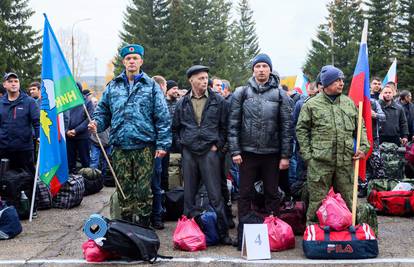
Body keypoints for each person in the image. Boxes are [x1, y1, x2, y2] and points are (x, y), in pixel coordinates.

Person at [88, 44, 171, 227]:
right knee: (123, 189)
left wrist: (162, 145)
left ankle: (142, 228)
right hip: (120, 146)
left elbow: (162, 117)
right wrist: (96, 124)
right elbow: (103, 113)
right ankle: (125, 228)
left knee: (143, 191)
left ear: (141, 61)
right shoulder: (113, 87)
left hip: (144, 147)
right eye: (128, 59)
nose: (132, 61)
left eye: (135, 58)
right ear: (123, 62)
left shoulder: (151, 86)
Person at [296, 65, 369, 223]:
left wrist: (363, 147)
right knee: (317, 201)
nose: (341, 83)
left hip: (345, 161)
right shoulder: (311, 105)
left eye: (342, 80)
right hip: (320, 163)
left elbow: (360, 127)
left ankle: (349, 233)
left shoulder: (349, 103)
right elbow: (301, 130)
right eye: (337, 80)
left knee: (348, 200)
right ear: (326, 84)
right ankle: (315, 236)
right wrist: (308, 156)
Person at [172, 65, 232, 245]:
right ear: (191, 81)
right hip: (189, 152)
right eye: (200, 78)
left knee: (215, 195)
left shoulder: (219, 101)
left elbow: (225, 127)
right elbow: (175, 129)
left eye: (206, 78)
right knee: (189, 196)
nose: (204, 81)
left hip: (209, 152)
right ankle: (188, 233)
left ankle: (223, 234)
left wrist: (218, 146)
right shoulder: (182, 103)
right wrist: (182, 147)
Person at [228, 53, 293, 218]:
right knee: (244, 195)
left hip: (271, 154)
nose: (261, 70)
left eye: (265, 66)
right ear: (253, 70)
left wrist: (285, 156)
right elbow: (233, 124)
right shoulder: (241, 93)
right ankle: (244, 231)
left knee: (272, 194)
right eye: (258, 66)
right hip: (247, 154)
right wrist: (235, 151)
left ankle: (274, 232)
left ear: (270, 70)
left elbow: (286, 128)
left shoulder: (280, 95)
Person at [0, 72, 39, 175]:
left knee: (27, 178)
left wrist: (40, 137)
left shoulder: (30, 102)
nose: (14, 84)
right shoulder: (1, 103)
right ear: (4, 85)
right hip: (4, 149)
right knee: (5, 179)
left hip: (24, 149)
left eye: (16, 81)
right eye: (10, 81)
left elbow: (37, 122)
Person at [64, 82, 94, 173]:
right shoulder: (65, 101)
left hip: (83, 136)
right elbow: (61, 118)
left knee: (85, 161)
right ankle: (71, 184)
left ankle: (87, 181)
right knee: (70, 162)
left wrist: (76, 130)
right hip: (69, 136)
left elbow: (89, 119)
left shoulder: (87, 101)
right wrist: (66, 131)